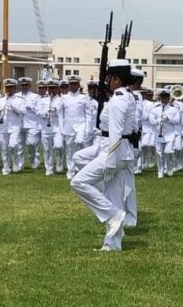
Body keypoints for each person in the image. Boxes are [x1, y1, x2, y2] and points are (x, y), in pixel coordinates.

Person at [69, 59, 136, 251]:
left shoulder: (118, 100)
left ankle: (113, 215)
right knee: (112, 195)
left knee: (78, 182)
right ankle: (113, 243)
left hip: (114, 151)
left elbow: (115, 132)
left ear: (115, 79)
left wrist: (111, 161)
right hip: (121, 151)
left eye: (109, 78)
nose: (106, 81)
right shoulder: (126, 96)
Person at [60, 75, 92, 179]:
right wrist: (61, 129)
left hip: (81, 126)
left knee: (80, 144)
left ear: (78, 85)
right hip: (68, 127)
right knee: (69, 150)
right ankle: (71, 170)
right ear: (69, 85)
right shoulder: (64, 98)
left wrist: (88, 129)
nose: (73, 86)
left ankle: (81, 169)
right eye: (71, 84)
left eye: (75, 84)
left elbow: (88, 115)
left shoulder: (83, 98)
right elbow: (61, 115)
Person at [0, 79, 26, 175]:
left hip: (14, 126)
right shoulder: (0, 100)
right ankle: (6, 167)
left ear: (15, 88)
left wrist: (13, 107)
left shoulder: (19, 100)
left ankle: (16, 162)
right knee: (4, 148)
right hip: (3, 126)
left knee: (13, 145)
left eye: (11, 87)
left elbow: (23, 112)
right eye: (7, 87)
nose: (9, 89)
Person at [149, 88, 179, 178]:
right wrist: (158, 121)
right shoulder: (155, 108)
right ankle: (160, 171)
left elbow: (177, 120)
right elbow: (151, 120)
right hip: (159, 133)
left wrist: (168, 119)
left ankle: (168, 168)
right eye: (162, 97)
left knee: (168, 152)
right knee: (159, 152)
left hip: (169, 133)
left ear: (169, 98)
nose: (164, 99)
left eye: (166, 97)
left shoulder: (173, 109)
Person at [37, 80, 64, 176]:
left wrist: (55, 110)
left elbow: (63, 113)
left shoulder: (61, 100)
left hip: (57, 127)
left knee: (58, 146)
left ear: (57, 89)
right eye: (50, 88)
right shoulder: (43, 100)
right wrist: (45, 113)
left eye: (53, 88)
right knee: (47, 149)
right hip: (46, 127)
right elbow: (38, 111)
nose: (51, 90)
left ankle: (60, 161)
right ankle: (49, 168)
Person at [18, 77, 40, 170]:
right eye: (23, 85)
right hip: (19, 123)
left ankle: (33, 160)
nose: (24, 87)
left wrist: (31, 107)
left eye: (26, 85)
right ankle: (19, 163)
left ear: (30, 86)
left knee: (31, 143)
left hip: (31, 123)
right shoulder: (16, 95)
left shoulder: (35, 96)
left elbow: (39, 110)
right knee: (19, 145)